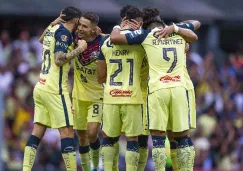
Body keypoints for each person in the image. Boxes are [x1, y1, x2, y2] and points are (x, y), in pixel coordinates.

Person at [109, 7, 198, 171]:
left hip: (158, 89)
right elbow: (196, 25)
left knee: (158, 138)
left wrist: (118, 26)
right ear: (161, 21)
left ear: (143, 24)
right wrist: (175, 27)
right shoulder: (178, 32)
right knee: (182, 137)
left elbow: (115, 38)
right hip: (180, 88)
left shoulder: (145, 35)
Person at [22, 7, 87, 171]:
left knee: (36, 133)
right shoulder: (63, 33)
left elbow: (41, 40)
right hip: (55, 89)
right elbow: (59, 60)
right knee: (67, 133)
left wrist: (53, 22)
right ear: (76, 20)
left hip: (41, 86)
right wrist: (79, 49)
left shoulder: (52, 28)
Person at [97, 6, 145, 171]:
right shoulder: (141, 38)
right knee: (132, 139)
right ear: (137, 22)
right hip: (132, 95)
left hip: (111, 96)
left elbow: (100, 76)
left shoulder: (105, 42)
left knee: (109, 138)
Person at [72, 12, 104, 171]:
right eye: (79, 25)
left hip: (97, 97)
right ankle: (86, 168)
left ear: (94, 29)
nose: (80, 28)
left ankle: (96, 166)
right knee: (82, 137)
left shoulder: (104, 42)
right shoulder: (73, 39)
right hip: (78, 96)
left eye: (85, 26)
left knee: (92, 133)